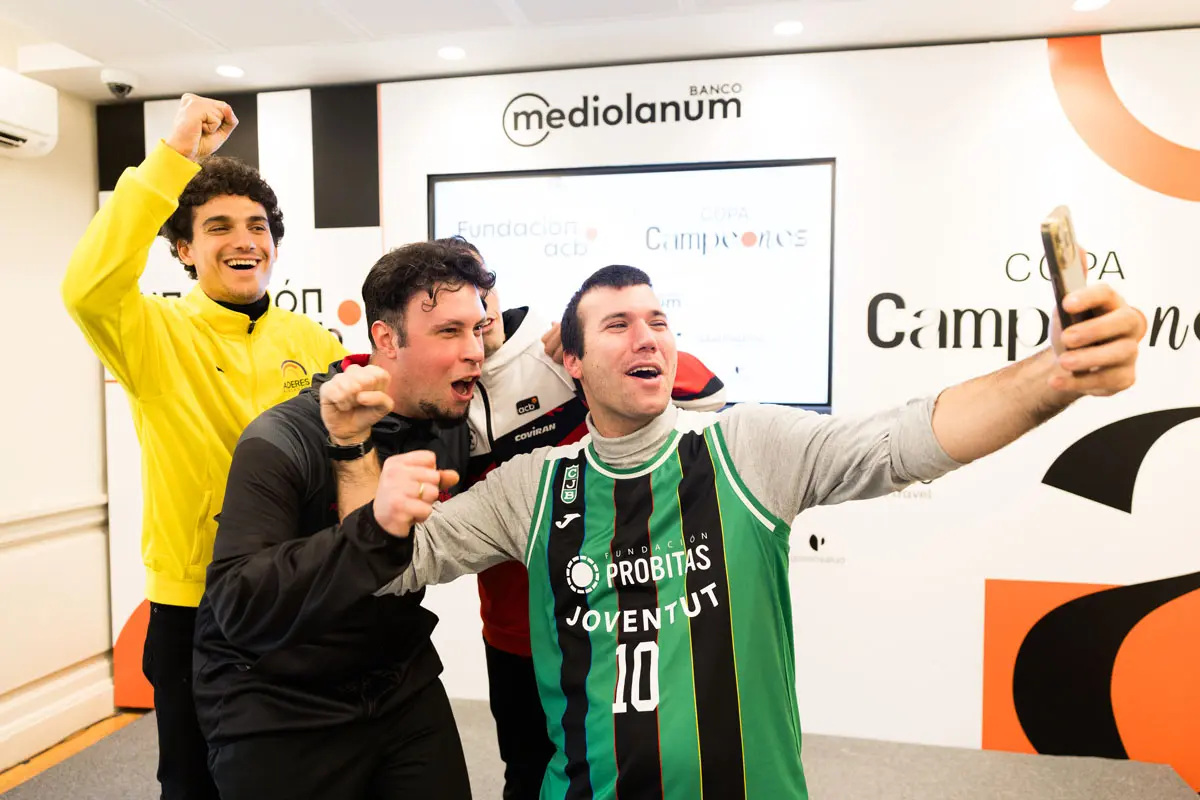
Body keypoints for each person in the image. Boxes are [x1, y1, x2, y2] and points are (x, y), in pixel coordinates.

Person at [347, 263, 1144, 800]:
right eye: (617, 324)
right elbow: (388, 562)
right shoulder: (534, 486)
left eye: (659, 320)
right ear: (575, 365)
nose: (648, 336)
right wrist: (354, 449)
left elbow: (906, 440)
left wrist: (1054, 374)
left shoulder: (746, 448)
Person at [62, 93, 345, 800]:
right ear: (184, 250)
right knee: (194, 783)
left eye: (257, 226)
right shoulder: (153, 333)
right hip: (194, 605)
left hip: (297, 593)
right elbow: (88, 288)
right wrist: (174, 159)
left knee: (304, 778)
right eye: (217, 227)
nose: (244, 240)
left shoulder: (314, 343)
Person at [191, 240, 496, 800]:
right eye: (449, 332)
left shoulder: (448, 418)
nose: (475, 350)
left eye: (477, 329)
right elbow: (239, 604)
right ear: (386, 339)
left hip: (396, 678)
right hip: (277, 698)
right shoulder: (283, 438)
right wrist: (372, 525)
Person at [440, 237, 727, 799]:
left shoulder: (555, 355)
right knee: (527, 771)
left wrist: (592, 356)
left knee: (619, 768)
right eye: (456, 301)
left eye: (481, 285)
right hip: (512, 635)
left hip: (603, 621)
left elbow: (708, 395)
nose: (477, 304)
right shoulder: (444, 389)